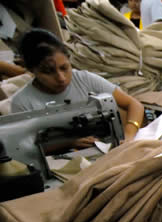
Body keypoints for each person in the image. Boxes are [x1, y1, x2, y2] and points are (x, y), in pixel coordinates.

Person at [10, 29, 144, 147]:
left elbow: (134, 104)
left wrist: (129, 133)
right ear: (31, 70)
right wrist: (66, 143)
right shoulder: (22, 103)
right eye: (48, 71)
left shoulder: (85, 79)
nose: (61, 78)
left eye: (64, 68)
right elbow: (24, 146)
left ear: (69, 60)